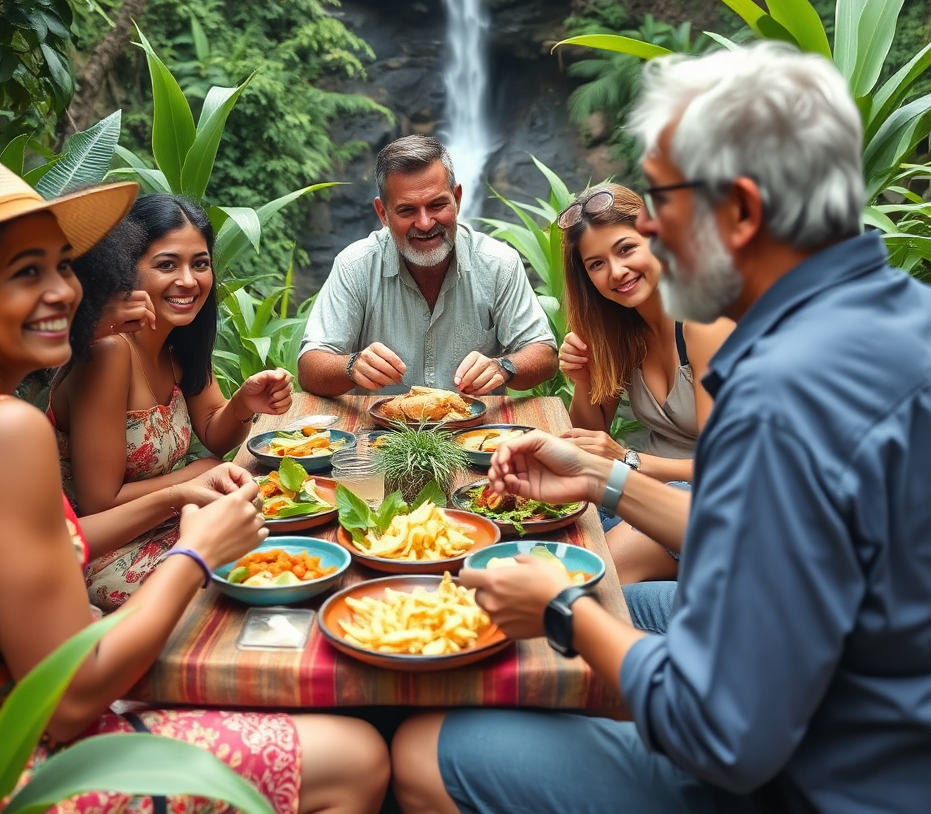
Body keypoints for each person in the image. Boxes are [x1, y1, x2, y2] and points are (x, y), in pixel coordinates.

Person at [391, 41, 931, 814]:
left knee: (421, 750)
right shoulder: (902, 322)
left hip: (817, 778)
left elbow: (725, 735)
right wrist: (598, 477)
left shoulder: (780, 392)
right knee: (613, 608)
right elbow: (787, 549)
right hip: (867, 713)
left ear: (740, 210)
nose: (654, 235)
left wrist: (562, 609)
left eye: (661, 205)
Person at [0, 156, 389, 814]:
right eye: (27, 273)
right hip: (4, 776)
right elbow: (72, 701)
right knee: (359, 756)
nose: (65, 293)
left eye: (63, 266)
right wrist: (194, 554)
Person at [49, 194, 294, 611]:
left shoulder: (177, 342)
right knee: (255, 585)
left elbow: (216, 435)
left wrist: (242, 404)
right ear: (126, 270)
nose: (189, 280)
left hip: (169, 522)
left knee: (287, 549)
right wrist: (195, 476)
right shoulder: (111, 352)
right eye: (167, 265)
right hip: (104, 552)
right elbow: (98, 503)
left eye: (200, 263)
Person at [557, 183, 733, 584]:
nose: (616, 272)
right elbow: (590, 436)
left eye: (625, 249)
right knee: (542, 528)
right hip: (645, 487)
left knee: (576, 583)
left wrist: (628, 461)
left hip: (707, 503)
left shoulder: (704, 323)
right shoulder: (624, 328)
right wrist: (585, 379)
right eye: (596, 264)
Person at [298, 136, 558, 397]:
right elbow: (310, 367)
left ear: (456, 199)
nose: (424, 223)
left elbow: (544, 355)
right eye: (407, 210)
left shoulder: (499, 264)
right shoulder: (355, 266)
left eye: (437, 204)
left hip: (477, 433)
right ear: (382, 214)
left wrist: (502, 368)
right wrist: (351, 366)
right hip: (378, 434)